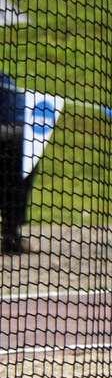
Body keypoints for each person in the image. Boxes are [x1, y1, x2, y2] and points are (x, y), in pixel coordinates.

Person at [0, 71, 28, 254]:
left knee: (25, 162)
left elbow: (19, 125)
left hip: (8, 142)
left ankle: (11, 234)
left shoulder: (4, 83)